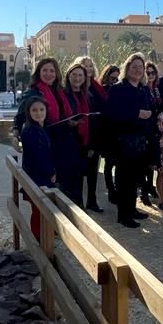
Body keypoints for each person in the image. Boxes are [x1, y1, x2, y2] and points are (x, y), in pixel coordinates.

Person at [14, 59, 83, 205]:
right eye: (45, 70)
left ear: (56, 73)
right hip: (45, 145)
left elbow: (61, 115)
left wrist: (70, 122)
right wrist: (15, 133)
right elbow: (20, 116)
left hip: (62, 144)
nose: (48, 74)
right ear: (38, 72)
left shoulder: (59, 91)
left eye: (52, 70)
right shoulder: (33, 92)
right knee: (49, 195)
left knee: (66, 189)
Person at [106, 53, 157, 228]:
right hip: (123, 142)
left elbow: (151, 111)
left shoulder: (144, 89)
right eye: (134, 66)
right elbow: (113, 114)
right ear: (127, 68)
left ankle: (132, 209)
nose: (137, 70)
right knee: (124, 180)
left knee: (135, 178)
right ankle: (123, 215)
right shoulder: (118, 89)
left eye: (140, 67)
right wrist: (137, 114)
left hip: (141, 142)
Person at [20, 95, 55, 236]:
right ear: (29, 112)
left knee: (39, 211)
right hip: (37, 177)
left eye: (42, 109)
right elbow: (39, 156)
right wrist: (51, 172)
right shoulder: (31, 131)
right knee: (38, 211)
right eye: (34, 110)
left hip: (37, 175)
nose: (39, 113)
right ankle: (39, 240)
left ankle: (42, 237)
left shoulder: (39, 128)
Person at [62, 62, 95, 206]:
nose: (77, 78)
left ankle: (79, 208)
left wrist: (91, 145)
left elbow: (92, 121)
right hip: (68, 144)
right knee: (68, 183)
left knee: (79, 181)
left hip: (83, 143)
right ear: (68, 76)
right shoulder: (62, 94)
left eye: (80, 75)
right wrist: (68, 123)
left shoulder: (88, 96)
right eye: (74, 75)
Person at [76, 56, 107, 213]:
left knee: (93, 170)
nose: (88, 69)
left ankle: (92, 200)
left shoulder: (97, 88)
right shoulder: (77, 88)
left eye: (90, 66)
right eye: (84, 66)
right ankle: (79, 202)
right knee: (80, 170)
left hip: (96, 134)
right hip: (81, 135)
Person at [141, 62, 163, 205]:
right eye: (148, 73)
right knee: (144, 164)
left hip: (156, 130)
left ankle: (150, 186)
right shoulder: (143, 89)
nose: (150, 75)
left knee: (153, 162)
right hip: (145, 130)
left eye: (153, 72)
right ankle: (144, 192)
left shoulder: (156, 90)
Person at [98, 64, 121, 205]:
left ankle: (116, 189)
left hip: (117, 132)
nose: (114, 81)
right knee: (109, 164)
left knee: (117, 164)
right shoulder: (103, 91)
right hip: (107, 133)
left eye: (117, 79)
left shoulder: (118, 90)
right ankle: (111, 190)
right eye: (112, 78)